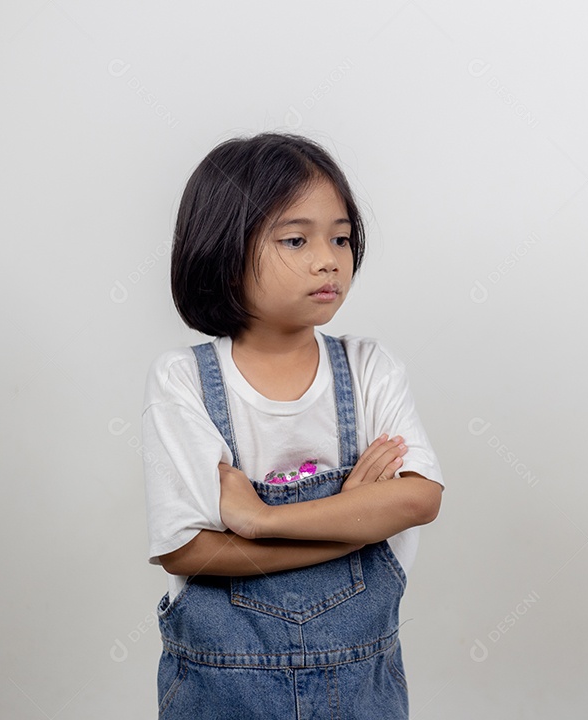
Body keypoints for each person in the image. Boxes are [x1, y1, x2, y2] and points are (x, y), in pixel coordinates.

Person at [141, 131, 445, 719]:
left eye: (340, 237)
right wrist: (356, 525)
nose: (328, 258)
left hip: (361, 696)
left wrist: (258, 521)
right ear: (224, 252)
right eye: (296, 239)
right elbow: (189, 551)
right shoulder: (184, 381)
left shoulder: (368, 369)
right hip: (222, 696)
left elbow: (419, 497)